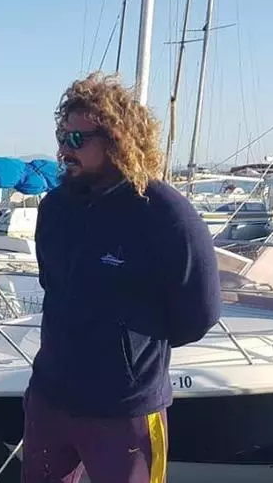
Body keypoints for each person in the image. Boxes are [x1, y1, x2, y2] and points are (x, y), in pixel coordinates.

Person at [22, 72, 221, 483]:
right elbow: (52, 285)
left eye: (77, 139)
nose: (64, 149)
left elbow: (199, 315)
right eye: (62, 137)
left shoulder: (165, 213)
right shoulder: (54, 208)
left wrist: (130, 350)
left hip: (126, 411)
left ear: (116, 140)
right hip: (50, 399)